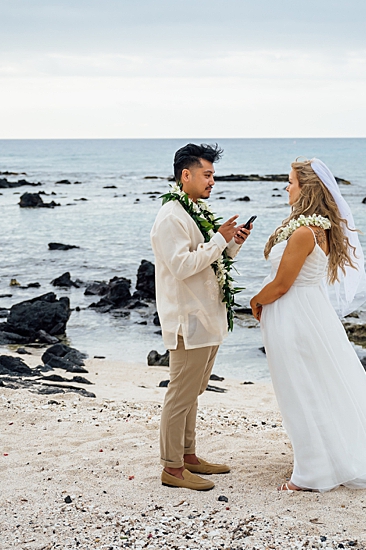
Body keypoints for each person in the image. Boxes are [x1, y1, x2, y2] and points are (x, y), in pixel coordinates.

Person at [250, 158, 366, 492]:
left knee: (301, 390)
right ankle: (320, 459)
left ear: (306, 187)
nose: (285, 187)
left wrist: (255, 300)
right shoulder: (314, 227)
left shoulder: (305, 233)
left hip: (296, 315)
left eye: (290, 181)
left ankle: (313, 474)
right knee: (312, 387)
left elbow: (282, 284)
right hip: (305, 313)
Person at [150, 143, 252, 491]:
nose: (213, 180)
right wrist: (219, 240)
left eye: (213, 174)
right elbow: (181, 266)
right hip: (187, 318)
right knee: (180, 393)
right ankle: (172, 468)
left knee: (193, 391)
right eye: (207, 174)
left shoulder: (193, 211)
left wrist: (232, 242)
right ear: (186, 175)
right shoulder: (171, 217)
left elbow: (210, 261)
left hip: (207, 316)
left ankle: (189, 455)